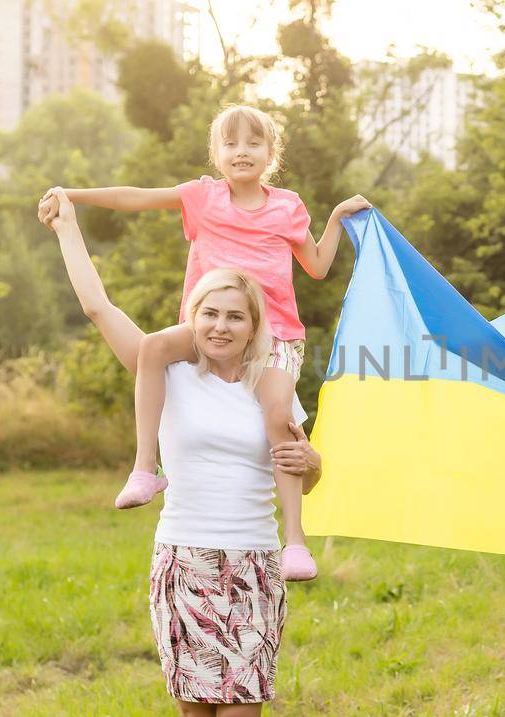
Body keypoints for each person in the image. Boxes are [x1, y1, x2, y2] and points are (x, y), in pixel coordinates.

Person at [38, 104, 370, 581]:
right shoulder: (201, 197)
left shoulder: (287, 206)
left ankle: (294, 542)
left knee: (279, 417)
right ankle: (144, 468)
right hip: (206, 330)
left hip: (274, 334)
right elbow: (135, 198)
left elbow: (316, 267)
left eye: (254, 143)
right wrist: (73, 195)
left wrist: (337, 217)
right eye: (231, 144)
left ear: (271, 154)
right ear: (216, 154)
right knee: (152, 347)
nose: (242, 152)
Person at [45, 188, 317, 715]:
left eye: (235, 317)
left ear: (254, 326)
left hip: (254, 565)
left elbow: (302, 476)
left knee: (241, 709)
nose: (221, 326)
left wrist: (315, 464)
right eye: (210, 313)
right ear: (193, 317)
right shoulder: (167, 374)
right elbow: (97, 307)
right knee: (194, 711)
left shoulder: (275, 387)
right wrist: (66, 227)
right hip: (183, 561)